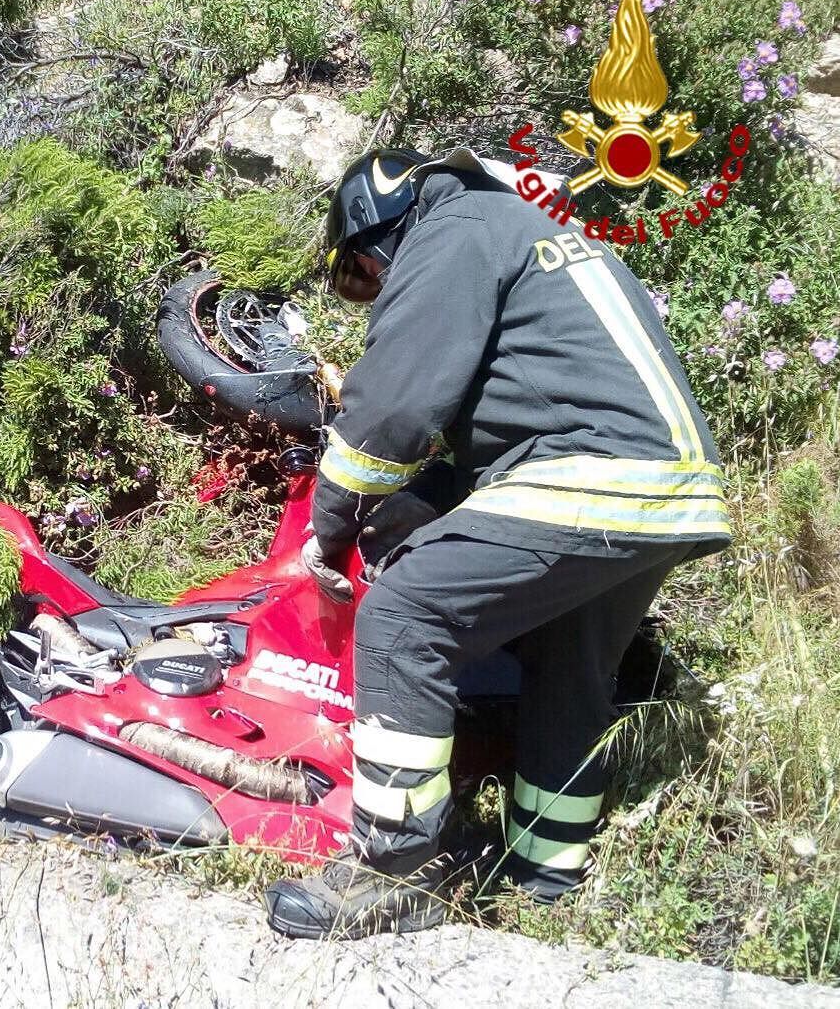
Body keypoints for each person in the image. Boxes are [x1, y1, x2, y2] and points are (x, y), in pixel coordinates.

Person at [263, 147, 731, 940]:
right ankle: (544, 871)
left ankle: (390, 871)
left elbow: (393, 410)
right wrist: (433, 498)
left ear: (383, 225)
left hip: (587, 475)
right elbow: (529, 408)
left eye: (365, 274)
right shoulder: (538, 230)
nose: (373, 289)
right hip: (667, 492)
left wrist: (333, 521)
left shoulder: (455, 227)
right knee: (566, 663)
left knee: (407, 618)